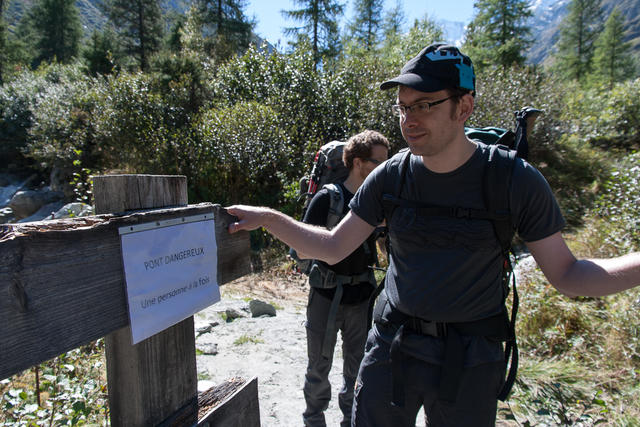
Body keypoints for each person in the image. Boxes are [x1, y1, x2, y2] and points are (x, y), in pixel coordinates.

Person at [227, 43, 640, 426]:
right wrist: (267, 217)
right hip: (393, 345)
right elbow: (334, 247)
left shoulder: (512, 181)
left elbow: (568, 273)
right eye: (403, 107)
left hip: (472, 357)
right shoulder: (392, 175)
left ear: (464, 107)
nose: (409, 119)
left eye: (424, 104)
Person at [300, 130, 389, 427]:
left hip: (362, 297)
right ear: (358, 162)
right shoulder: (329, 199)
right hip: (326, 296)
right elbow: (299, 249)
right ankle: (314, 421)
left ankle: (350, 421)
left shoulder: (377, 202)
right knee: (318, 369)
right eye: (379, 162)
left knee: (359, 369)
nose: (384, 168)